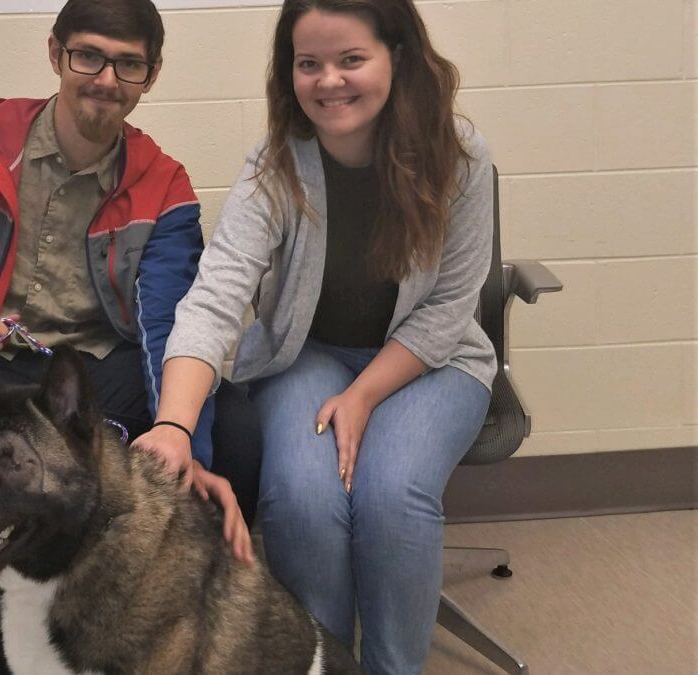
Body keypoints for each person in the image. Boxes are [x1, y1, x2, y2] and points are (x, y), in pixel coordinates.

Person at [0, 1, 256, 672]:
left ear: (150, 75)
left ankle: (150, 638)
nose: (106, 78)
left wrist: (188, 441)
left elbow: (169, 325)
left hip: (84, 371)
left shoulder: (164, 184)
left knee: (243, 428)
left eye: (128, 63)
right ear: (55, 54)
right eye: (89, 55)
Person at [130, 0, 496, 671]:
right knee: (301, 497)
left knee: (394, 495)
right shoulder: (275, 167)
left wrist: (361, 396)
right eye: (309, 64)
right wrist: (175, 426)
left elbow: (449, 307)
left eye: (351, 59)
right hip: (308, 356)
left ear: (398, 58)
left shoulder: (461, 159)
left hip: (432, 361)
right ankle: (320, 662)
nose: (329, 80)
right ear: (288, 73)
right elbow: (215, 298)